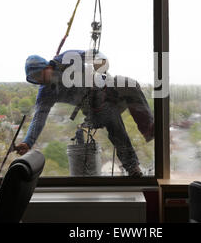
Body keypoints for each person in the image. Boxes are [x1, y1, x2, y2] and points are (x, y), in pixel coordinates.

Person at [14, 50, 154, 177]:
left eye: (39, 75)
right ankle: (132, 167)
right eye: (35, 79)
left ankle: (151, 130)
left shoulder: (66, 59)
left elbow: (95, 53)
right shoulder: (46, 92)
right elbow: (39, 118)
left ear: (48, 66)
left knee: (131, 85)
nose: (40, 80)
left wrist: (101, 63)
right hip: (95, 109)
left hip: (105, 88)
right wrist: (28, 142)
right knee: (111, 117)